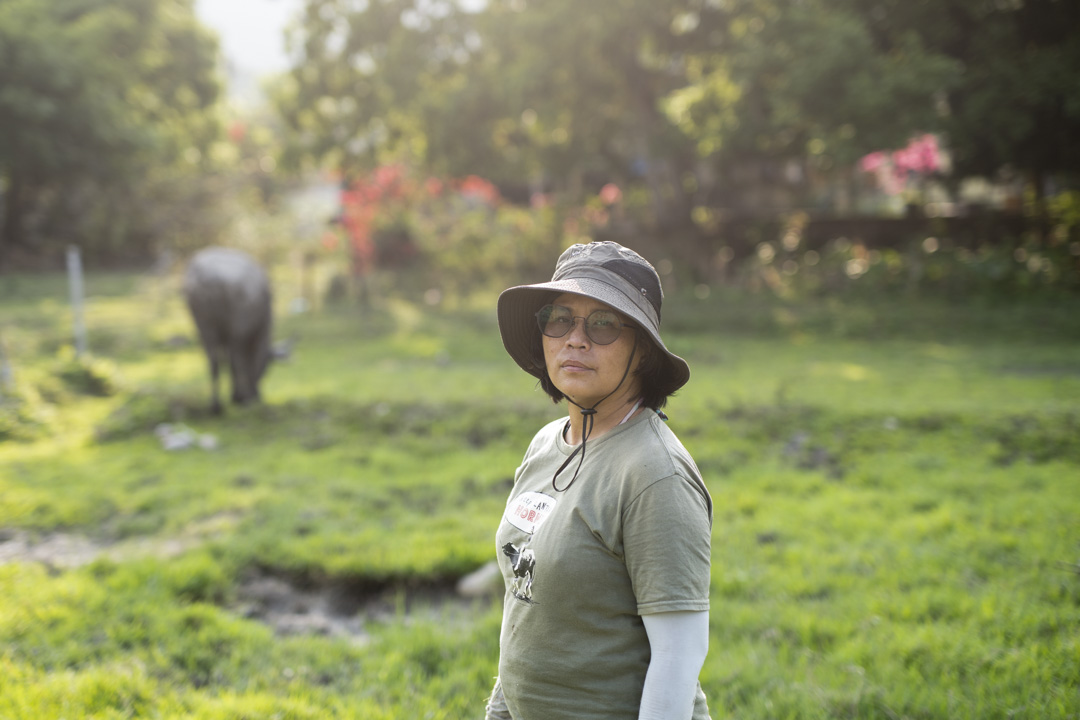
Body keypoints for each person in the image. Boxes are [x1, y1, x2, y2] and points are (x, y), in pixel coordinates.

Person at [486, 241, 713, 720]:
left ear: (644, 351)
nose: (575, 339)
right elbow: (525, 605)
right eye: (559, 318)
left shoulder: (655, 474)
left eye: (604, 323)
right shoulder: (548, 443)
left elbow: (678, 658)